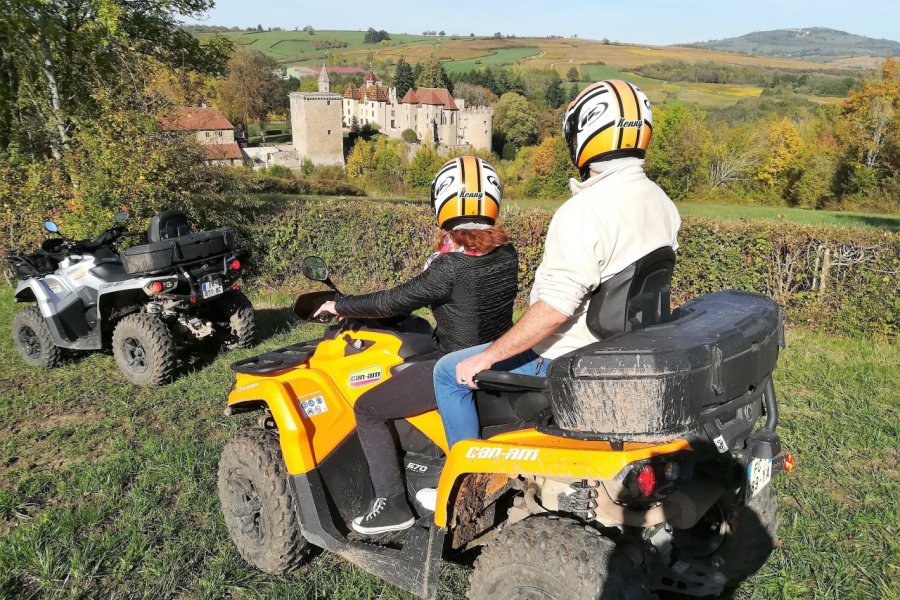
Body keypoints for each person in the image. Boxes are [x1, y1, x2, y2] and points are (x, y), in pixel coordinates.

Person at [433, 80, 682, 448]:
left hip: (567, 356)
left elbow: (554, 310)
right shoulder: (663, 202)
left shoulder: (584, 210)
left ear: (584, 133)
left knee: (446, 371)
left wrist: (485, 358)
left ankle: (465, 477)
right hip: (623, 351)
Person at [314, 156, 518, 535]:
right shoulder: (507, 253)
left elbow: (393, 301)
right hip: (500, 356)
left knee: (369, 407)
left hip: (455, 365)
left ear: (442, 201)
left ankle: (391, 504)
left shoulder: (449, 267)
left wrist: (338, 305)